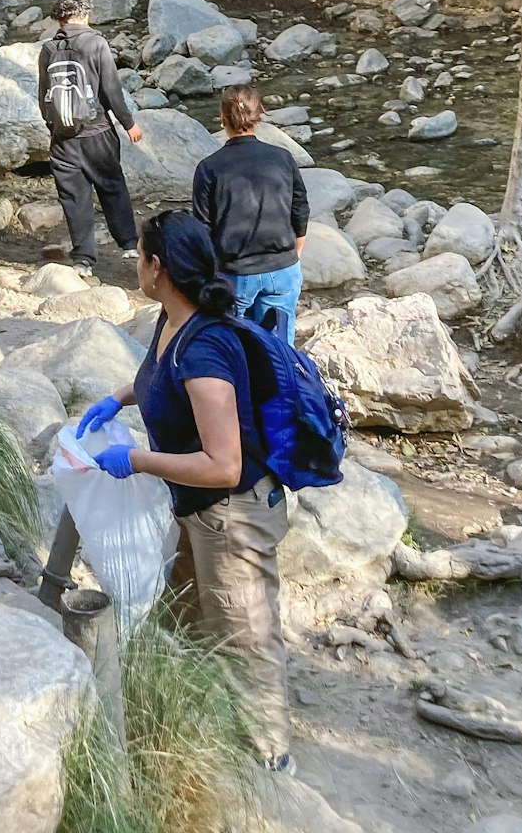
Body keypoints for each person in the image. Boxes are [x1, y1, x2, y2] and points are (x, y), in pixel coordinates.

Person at [74, 211, 293, 773]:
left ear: (158, 267)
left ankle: (272, 759)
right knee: (182, 617)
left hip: (233, 515)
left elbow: (224, 465)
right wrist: (119, 398)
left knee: (246, 634)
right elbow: (157, 376)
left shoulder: (205, 350)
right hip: (195, 510)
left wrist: (137, 460)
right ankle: (192, 713)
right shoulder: (170, 320)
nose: (135, 263)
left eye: (140, 254)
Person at [193, 85, 309, 343]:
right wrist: (295, 252)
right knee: (280, 351)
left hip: (235, 273)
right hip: (283, 268)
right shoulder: (283, 158)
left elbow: (202, 228)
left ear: (223, 118)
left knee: (235, 349)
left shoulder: (209, 168)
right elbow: (300, 209)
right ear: (259, 115)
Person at [38, 0, 142, 274]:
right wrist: (128, 123)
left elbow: (44, 97)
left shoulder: (48, 49)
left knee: (74, 197)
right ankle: (130, 244)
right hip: (97, 131)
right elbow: (111, 89)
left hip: (63, 139)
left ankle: (83, 259)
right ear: (85, 17)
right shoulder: (96, 43)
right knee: (112, 186)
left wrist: (55, 129)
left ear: (59, 20)